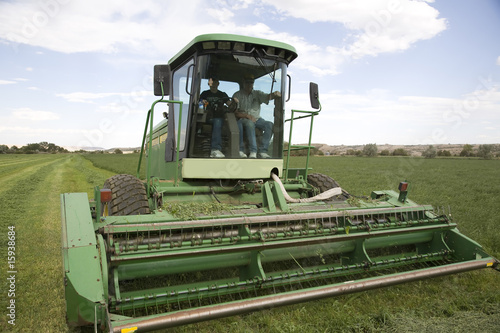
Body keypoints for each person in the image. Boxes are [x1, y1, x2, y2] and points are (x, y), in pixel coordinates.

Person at [233, 76, 281, 158]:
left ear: (253, 83)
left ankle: (262, 151)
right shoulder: (237, 95)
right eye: (247, 82)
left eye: (251, 82)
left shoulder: (257, 93)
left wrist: (274, 94)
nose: (249, 84)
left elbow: (267, 97)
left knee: (269, 124)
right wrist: (247, 116)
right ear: (243, 83)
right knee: (250, 123)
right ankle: (253, 151)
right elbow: (235, 112)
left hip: (257, 119)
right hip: (243, 119)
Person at [199, 77, 237, 158]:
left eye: (215, 82)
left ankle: (236, 150)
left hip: (221, 117)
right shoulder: (204, 94)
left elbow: (230, 104)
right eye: (211, 82)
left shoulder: (222, 94)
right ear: (209, 84)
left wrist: (234, 102)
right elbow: (200, 103)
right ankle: (215, 149)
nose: (213, 84)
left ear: (218, 84)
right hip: (208, 117)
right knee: (218, 121)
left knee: (232, 123)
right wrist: (203, 102)